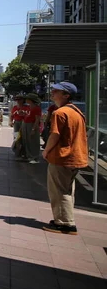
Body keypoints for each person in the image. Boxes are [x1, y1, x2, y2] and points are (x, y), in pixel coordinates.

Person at [42, 82, 88, 235]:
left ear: (66, 95)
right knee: (67, 190)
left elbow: (54, 135)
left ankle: (65, 223)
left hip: (62, 158)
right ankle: (65, 219)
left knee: (58, 191)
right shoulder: (77, 112)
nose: (53, 92)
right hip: (75, 157)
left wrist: (46, 151)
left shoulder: (60, 113)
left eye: (57, 91)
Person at [22, 93, 42, 163]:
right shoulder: (28, 107)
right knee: (27, 140)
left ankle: (35, 157)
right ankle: (29, 155)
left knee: (33, 141)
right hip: (26, 124)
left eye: (27, 99)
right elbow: (28, 115)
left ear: (31, 100)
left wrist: (34, 129)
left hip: (32, 125)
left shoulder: (37, 108)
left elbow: (37, 119)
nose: (26, 100)